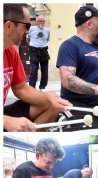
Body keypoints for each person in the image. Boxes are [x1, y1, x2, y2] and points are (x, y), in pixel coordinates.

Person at [4, 4, 71, 132]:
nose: (27, 31)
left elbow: (21, 88)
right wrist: (6, 121)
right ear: (9, 26)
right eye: (26, 25)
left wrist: (49, 98)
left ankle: (32, 143)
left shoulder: (11, 51)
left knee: (53, 104)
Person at [27, 15, 50, 90]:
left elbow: (47, 40)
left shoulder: (47, 30)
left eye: (43, 21)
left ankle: (42, 87)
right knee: (33, 70)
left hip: (44, 50)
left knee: (45, 70)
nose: (42, 23)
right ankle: (32, 87)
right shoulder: (31, 29)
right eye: (40, 21)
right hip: (34, 50)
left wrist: (42, 45)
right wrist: (33, 45)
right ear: (37, 21)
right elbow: (28, 39)